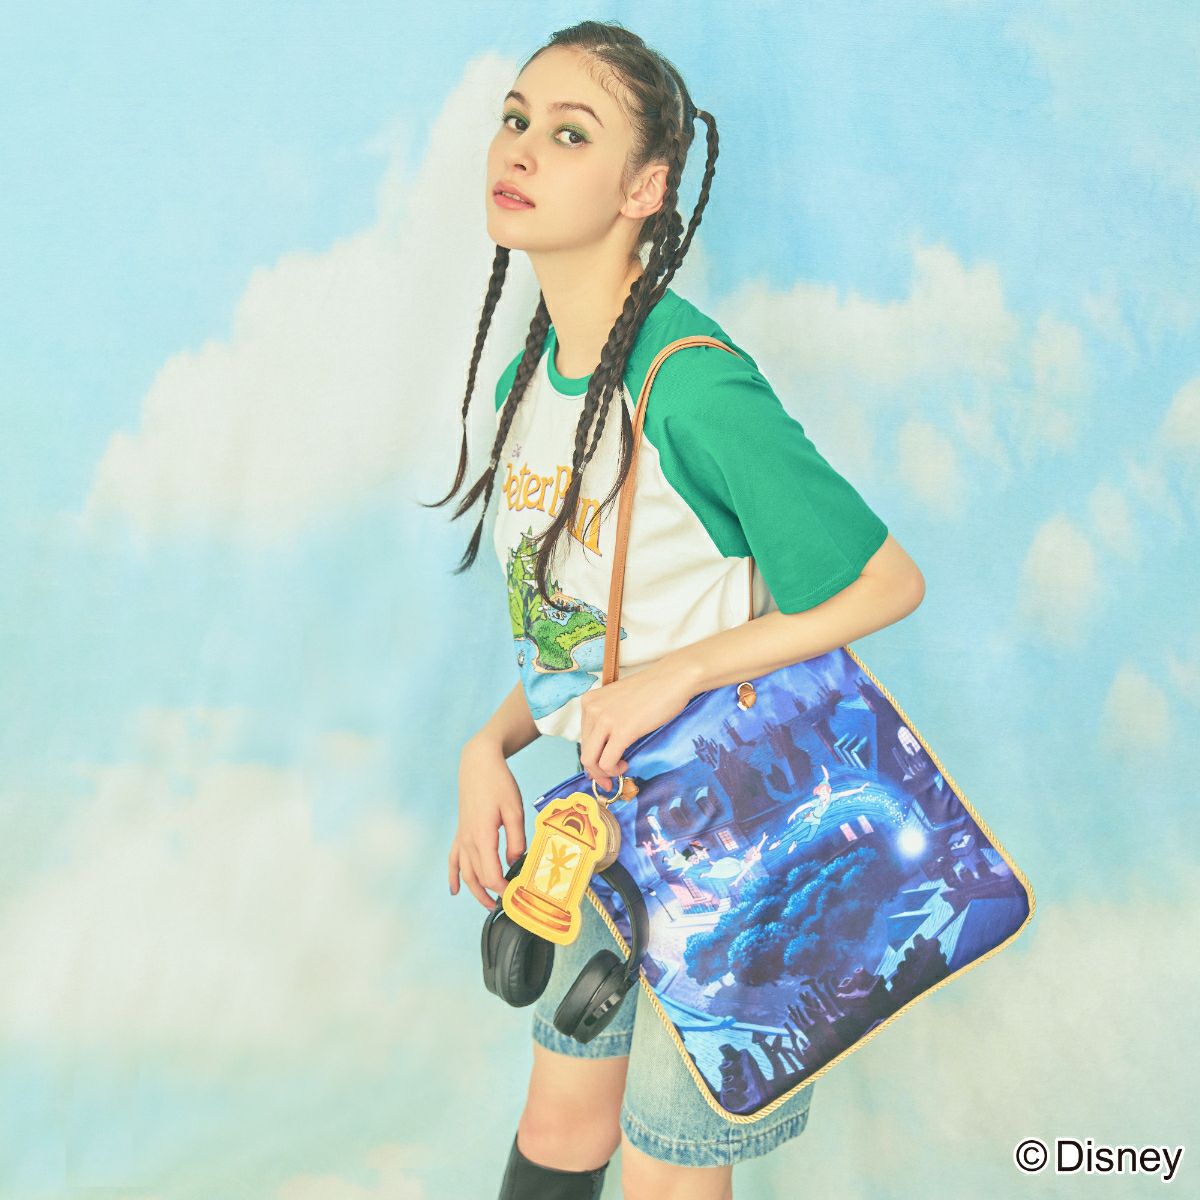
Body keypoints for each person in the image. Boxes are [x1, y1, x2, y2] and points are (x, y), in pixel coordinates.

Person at [430, 18, 926, 1200]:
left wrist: (683, 673)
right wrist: (487, 745)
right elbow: (580, 646)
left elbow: (886, 581)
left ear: (644, 189)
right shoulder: (530, 384)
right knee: (562, 1117)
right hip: (610, 824)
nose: (522, 148)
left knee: (671, 1154)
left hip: (744, 830)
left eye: (571, 133)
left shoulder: (689, 381)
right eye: (515, 119)